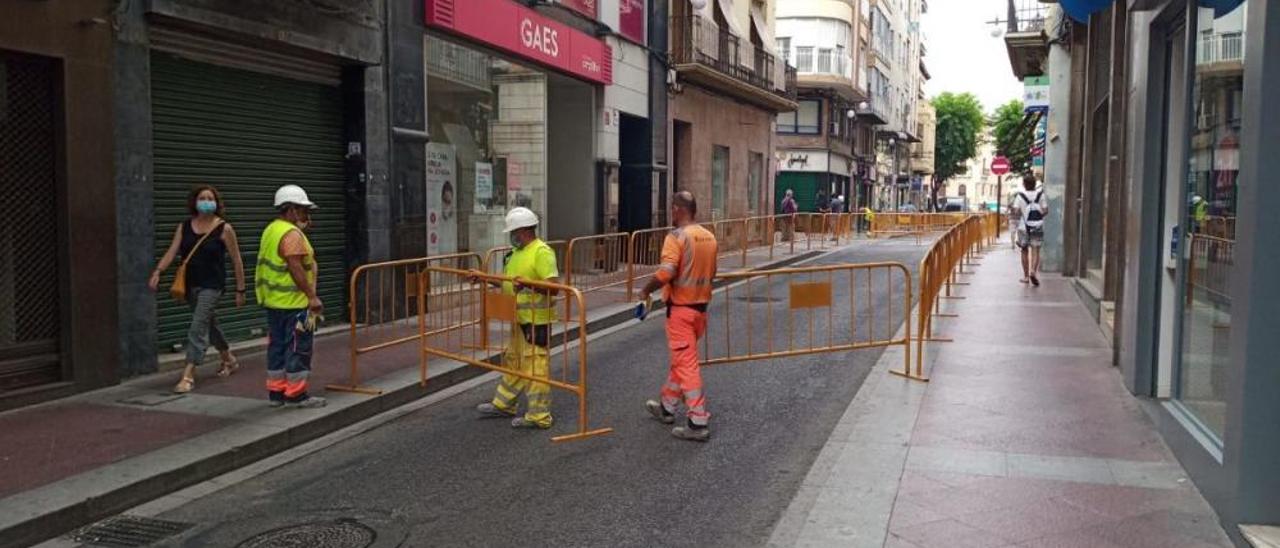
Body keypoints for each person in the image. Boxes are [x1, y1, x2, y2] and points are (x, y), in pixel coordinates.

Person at [150, 186, 246, 394]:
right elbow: (172, 251)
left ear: (216, 203)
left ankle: (188, 374)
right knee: (208, 322)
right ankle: (228, 358)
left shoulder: (224, 229)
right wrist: (158, 271)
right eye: (202, 198)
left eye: (210, 198)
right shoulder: (184, 227)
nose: (206, 201)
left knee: (197, 326)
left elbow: (237, 260)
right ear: (194, 202)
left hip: (213, 286)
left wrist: (241, 289)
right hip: (190, 285)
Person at [642, 191, 718, 442]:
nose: (670, 213)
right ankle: (667, 407)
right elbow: (712, 272)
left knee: (686, 365)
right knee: (681, 360)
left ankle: (697, 421)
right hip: (700, 312)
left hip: (681, 312)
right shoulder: (709, 236)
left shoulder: (676, 237)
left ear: (677, 209)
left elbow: (667, 272)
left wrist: (645, 289)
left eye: (671, 209)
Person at [475, 207, 561, 429]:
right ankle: (504, 404)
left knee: (535, 367)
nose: (511, 237)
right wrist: (483, 278)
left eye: (513, 232)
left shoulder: (542, 252)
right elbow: (507, 282)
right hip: (518, 317)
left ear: (522, 231)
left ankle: (539, 416)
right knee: (513, 360)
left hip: (536, 320)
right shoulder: (515, 254)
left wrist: (529, 284)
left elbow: (554, 287)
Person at [255, 185, 326, 408]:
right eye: (304, 210)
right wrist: (312, 296)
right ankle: (296, 395)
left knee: (276, 347)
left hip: (274, 303)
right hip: (295, 303)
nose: (307, 215)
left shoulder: (271, 229)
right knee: (298, 347)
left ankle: (276, 393)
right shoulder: (292, 235)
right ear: (292, 210)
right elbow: (295, 267)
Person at [1012, 174, 1048, 287]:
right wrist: (1038, 215)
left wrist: (1021, 212)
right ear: (1034, 184)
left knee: (1024, 250)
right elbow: (1046, 210)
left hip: (1024, 227)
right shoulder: (1040, 195)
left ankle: (1026, 276)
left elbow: (1016, 212)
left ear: (1024, 184)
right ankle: (1033, 271)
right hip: (1037, 225)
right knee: (1036, 249)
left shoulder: (1020, 196)